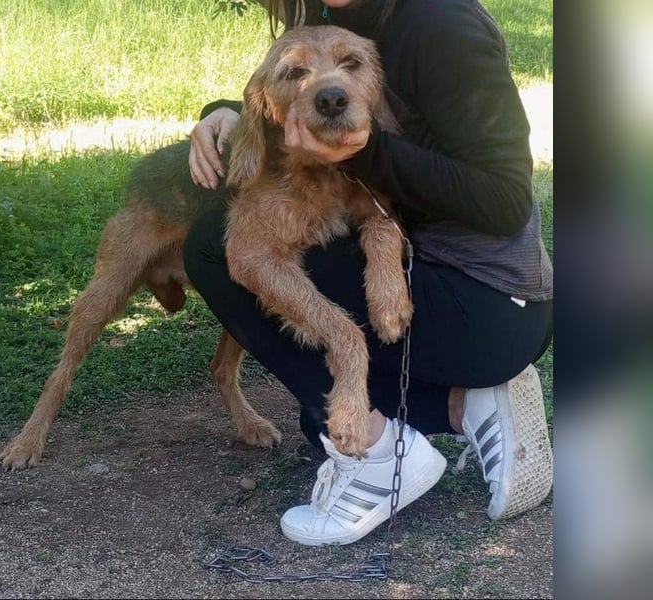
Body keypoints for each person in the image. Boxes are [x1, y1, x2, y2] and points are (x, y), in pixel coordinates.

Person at [184, 0, 553, 546]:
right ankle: (468, 403)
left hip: (486, 298)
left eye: (351, 68)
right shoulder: (332, 12)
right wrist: (223, 111)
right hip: (429, 270)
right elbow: (297, 97)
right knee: (319, 420)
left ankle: (381, 458)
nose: (331, 84)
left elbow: (504, 200)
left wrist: (366, 151)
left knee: (220, 246)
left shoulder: (441, 24)